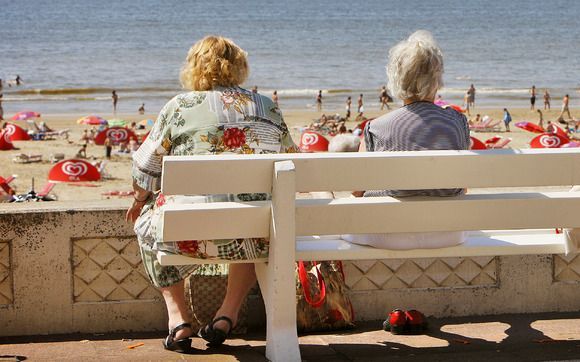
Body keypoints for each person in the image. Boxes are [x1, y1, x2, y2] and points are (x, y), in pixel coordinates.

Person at [125, 35, 299, 353]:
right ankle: (227, 314)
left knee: (147, 217)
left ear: (194, 68)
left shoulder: (178, 108)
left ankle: (178, 320)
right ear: (240, 67)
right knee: (257, 213)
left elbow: (145, 172)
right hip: (256, 235)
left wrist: (139, 201)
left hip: (187, 233)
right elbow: (293, 162)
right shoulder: (267, 107)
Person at [344, 30, 469, 250]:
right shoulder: (457, 122)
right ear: (437, 80)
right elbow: (463, 186)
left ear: (396, 78)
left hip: (387, 235)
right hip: (449, 233)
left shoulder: (376, 128)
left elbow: (357, 191)